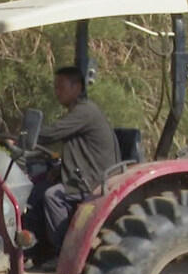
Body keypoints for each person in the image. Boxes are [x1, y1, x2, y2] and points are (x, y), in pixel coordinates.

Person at [24, 66, 121, 255]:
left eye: (61, 86)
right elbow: (78, 151)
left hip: (92, 180)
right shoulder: (77, 111)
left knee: (53, 197)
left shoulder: (85, 111)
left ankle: (64, 253)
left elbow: (53, 133)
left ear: (77, 87)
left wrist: (22, 136)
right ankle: (34, 251)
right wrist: (59, 170)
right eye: (55, 87)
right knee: (34, 192)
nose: (57, 92)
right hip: (81, 173)